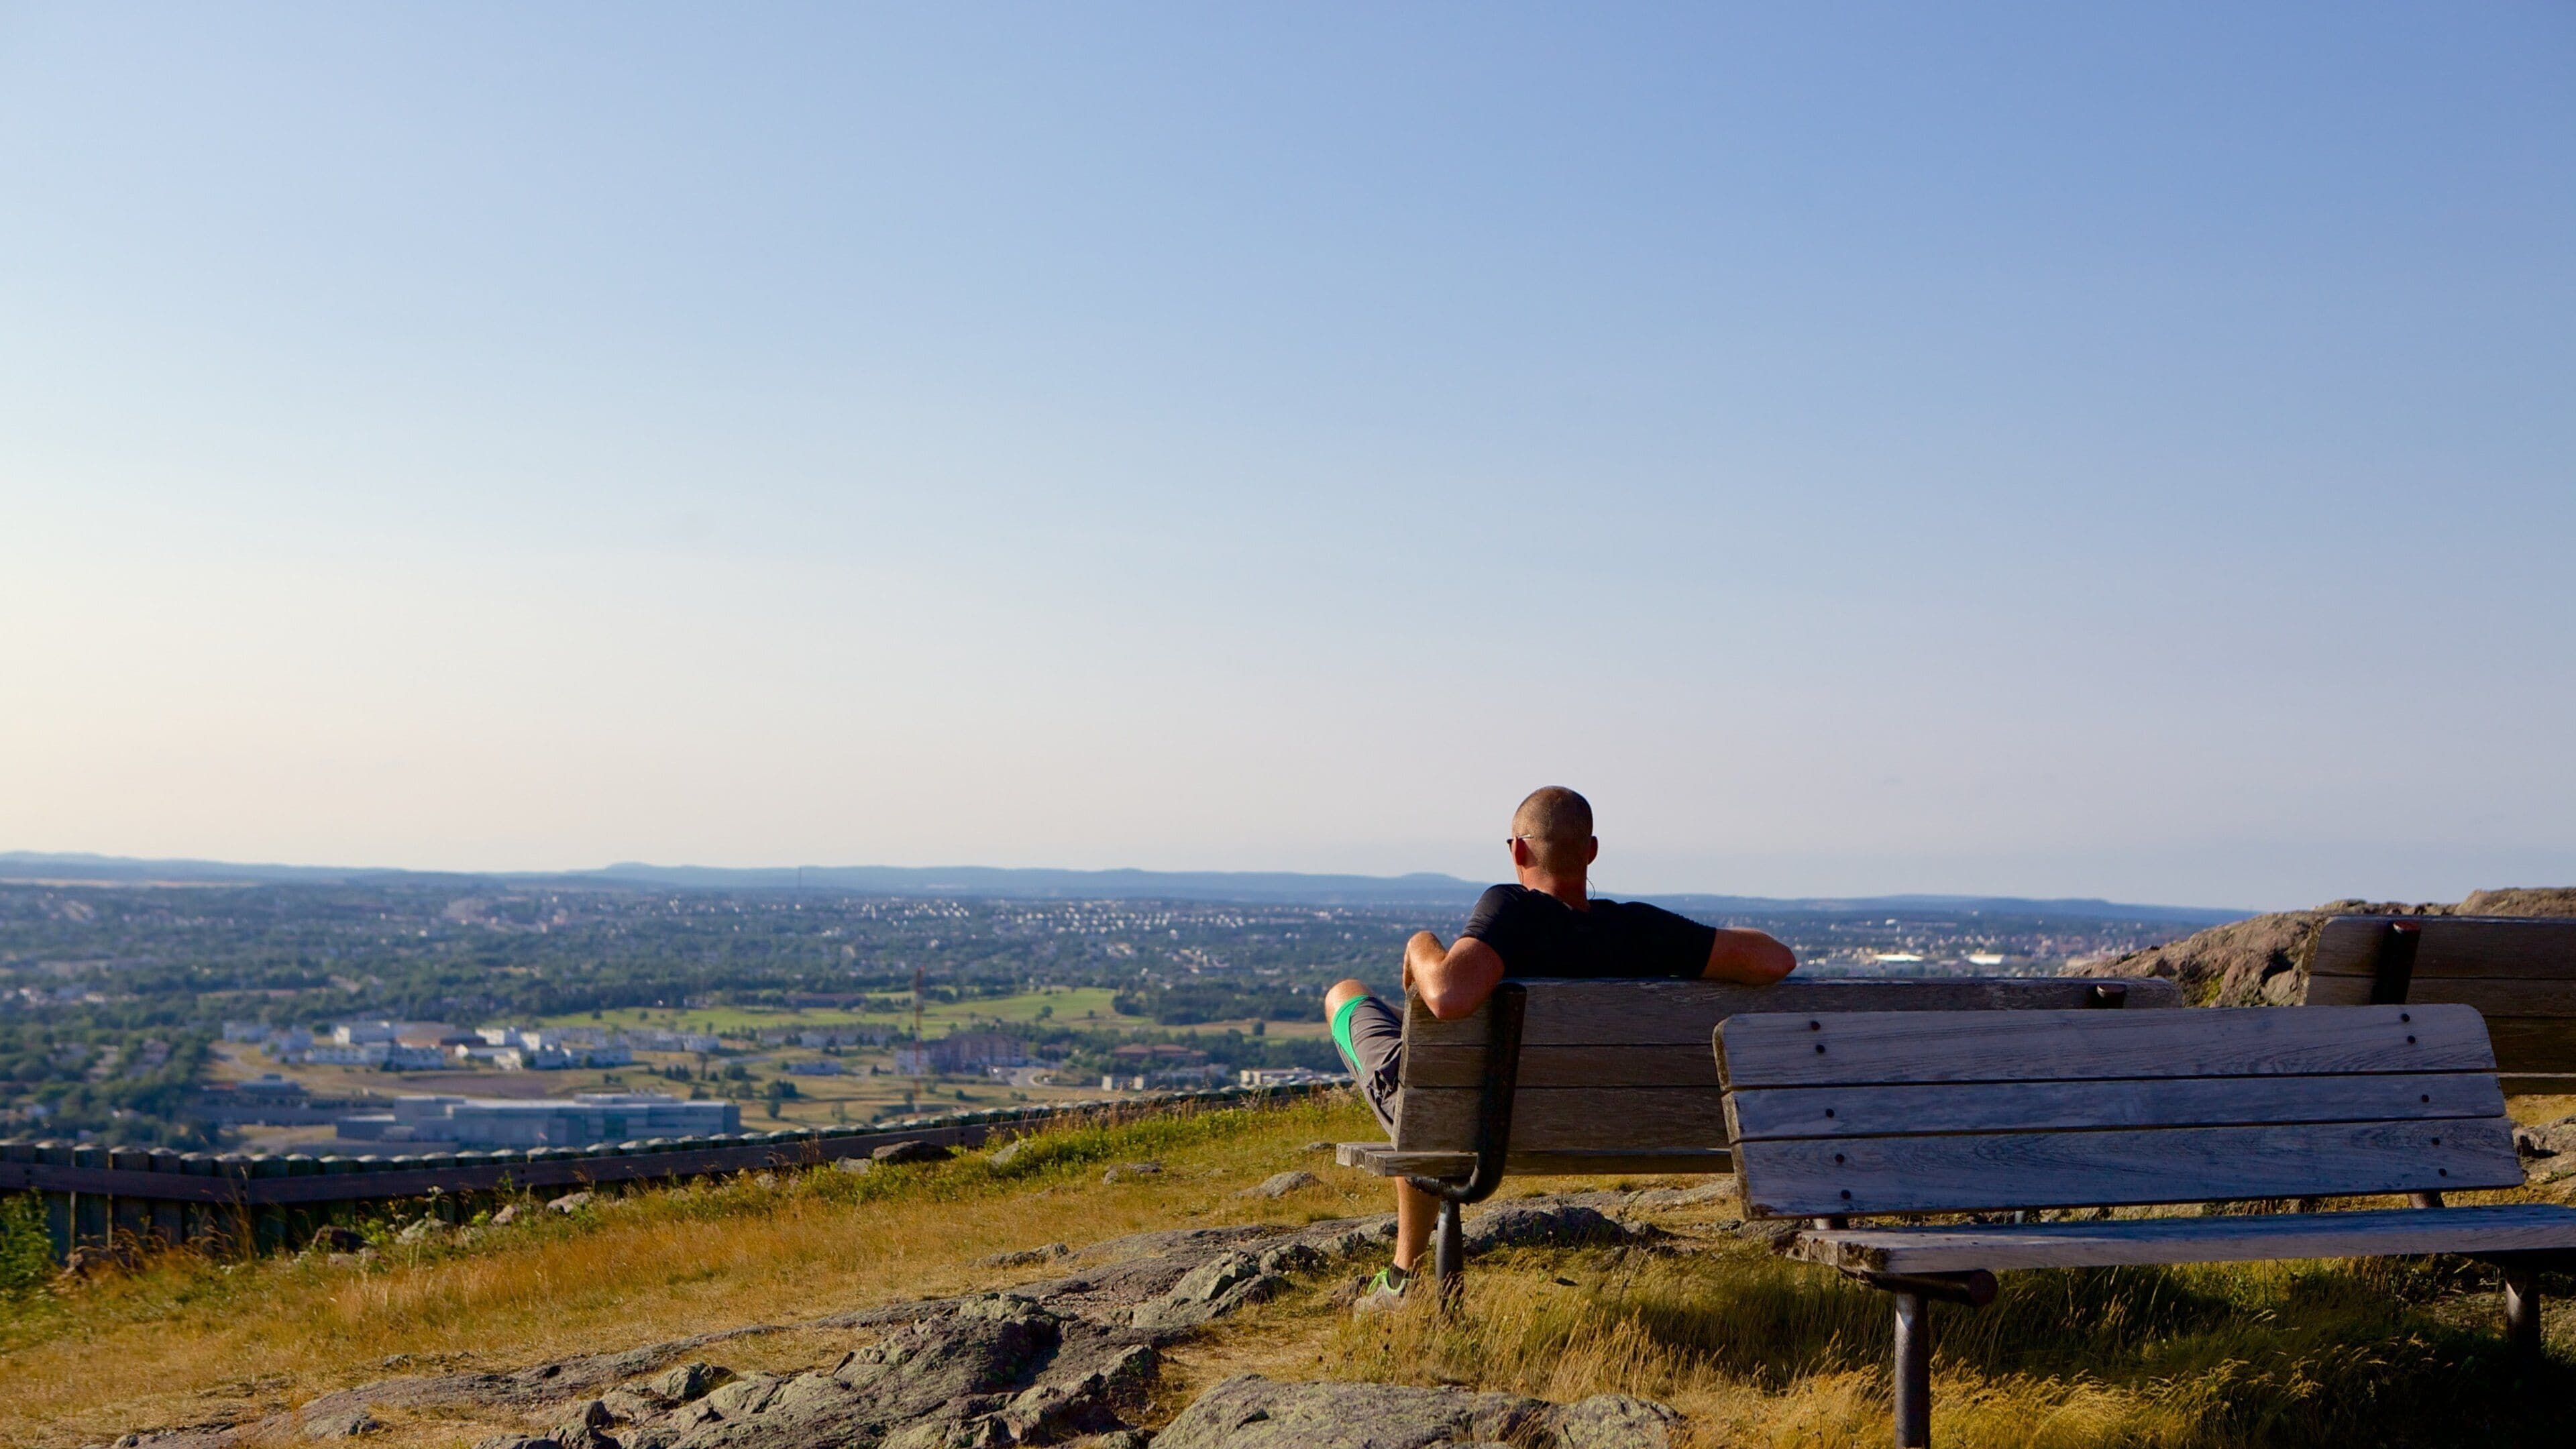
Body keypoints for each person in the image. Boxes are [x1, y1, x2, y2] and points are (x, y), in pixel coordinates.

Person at [1324, 786, 1796, 1309]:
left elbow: (1447, 995)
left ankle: (1403, 1278)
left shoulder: (1511, 909)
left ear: (1519, 852)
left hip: (1474, 1118)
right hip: (1619, 1121)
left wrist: (1419, 945)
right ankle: (1403, 1272)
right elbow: (1775, 960)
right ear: (1591, 851)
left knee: (1347, 999)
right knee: (1435, 1073)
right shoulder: (1640, 929)